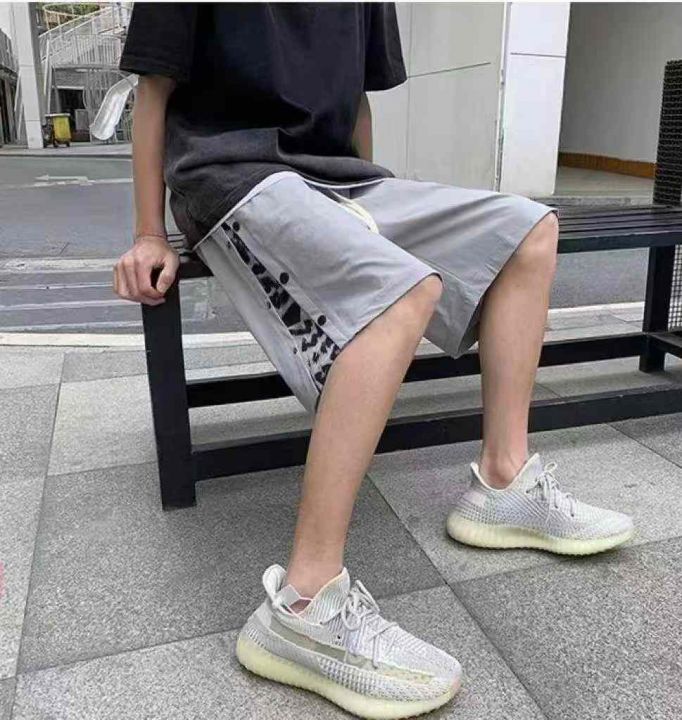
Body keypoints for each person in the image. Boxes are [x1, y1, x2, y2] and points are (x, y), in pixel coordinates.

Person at [114, 4, 634, 718]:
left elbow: (356, 102)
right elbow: (154, 91)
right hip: (230, 178)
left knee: (529, 229)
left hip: (341, 179)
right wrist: (148, 231)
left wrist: (365, 201)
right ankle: (303, 605)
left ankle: (504, 482)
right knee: (396, 292)